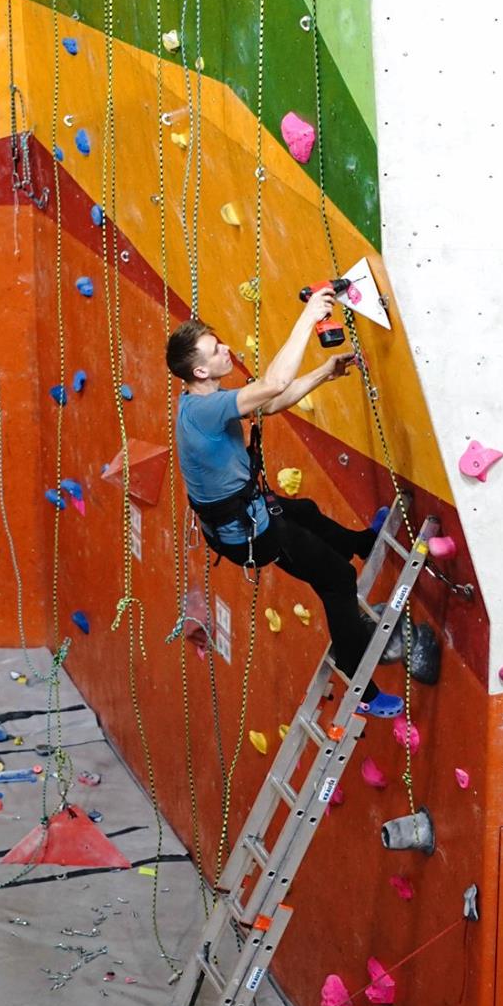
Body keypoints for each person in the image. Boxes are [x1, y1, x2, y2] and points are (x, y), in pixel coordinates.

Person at [164, 288, 402, 717]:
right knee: (337, 580)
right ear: (200, 369)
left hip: (241, 523)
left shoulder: (201, 403)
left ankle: (364, 543)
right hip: (251, 533)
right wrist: (311, 316)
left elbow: (271, 402)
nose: (224, 348)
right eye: (214, 349)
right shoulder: (205, 410)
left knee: (304, 511)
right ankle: (360, 689)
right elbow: (272, 384)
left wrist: (323, 373)